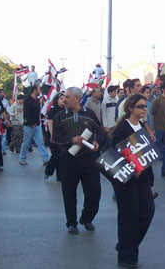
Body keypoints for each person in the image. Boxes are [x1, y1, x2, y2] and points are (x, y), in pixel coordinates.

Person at [52, 87, 106, 235]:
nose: (64, 99)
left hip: (89, 159)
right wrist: (71, 140)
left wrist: (97, 142)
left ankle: (87, 218)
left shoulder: (89, 114)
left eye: (67, 97)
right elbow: (55, 137)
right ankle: (71, 223)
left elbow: (99, 130)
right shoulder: (60, 116)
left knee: (94, 192)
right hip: (68, 159)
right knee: (69, 193)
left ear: (77, 98)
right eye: (63, 97)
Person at [111, 94, 155, 268]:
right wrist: (132, 168)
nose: (144, 109)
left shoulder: (143, 126)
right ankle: (126, 256)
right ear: (130, 108)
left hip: (142, 177)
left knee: (147, 211)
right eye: (140, 106)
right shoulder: (122, 128)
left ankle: (126, 245)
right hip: (126, 179)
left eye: (145, 106)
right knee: (129, 216)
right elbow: (114, 154)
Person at [19, 85, 49, 165]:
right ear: (34, 90)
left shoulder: (37, 100)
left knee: (40, 142)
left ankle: (45, 158)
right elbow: (26, 113)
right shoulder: (27, 100)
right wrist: (31, 123)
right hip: (29, 126)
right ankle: (22, 158)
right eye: (39, 89)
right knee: (26, 142)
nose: (40, 91)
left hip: (37, 125)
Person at [44, 92, 65, 180]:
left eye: (65, 98)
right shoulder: (53, 110)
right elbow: (50, 123)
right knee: (56, 155)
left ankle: (60, 176)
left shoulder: (66, 110)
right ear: (57, 100)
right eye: (61, 98)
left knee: (62, 156)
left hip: (63, 135)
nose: (63, 100)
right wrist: (52, 135)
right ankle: (48, 171)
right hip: (54, 135)